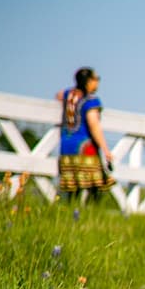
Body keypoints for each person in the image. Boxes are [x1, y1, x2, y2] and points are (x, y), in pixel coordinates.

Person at [55, 67, 114, 199]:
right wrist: (105, 150)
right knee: (95, 187)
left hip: (66, 147)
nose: (98, 82)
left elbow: (58, 95)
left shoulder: (68, 95)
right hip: (84, 146)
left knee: (72, 188)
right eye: (96, 79)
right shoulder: (91, 101)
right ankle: (92, 215)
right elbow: (94, 126)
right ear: (89, 81)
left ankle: (72, 212)